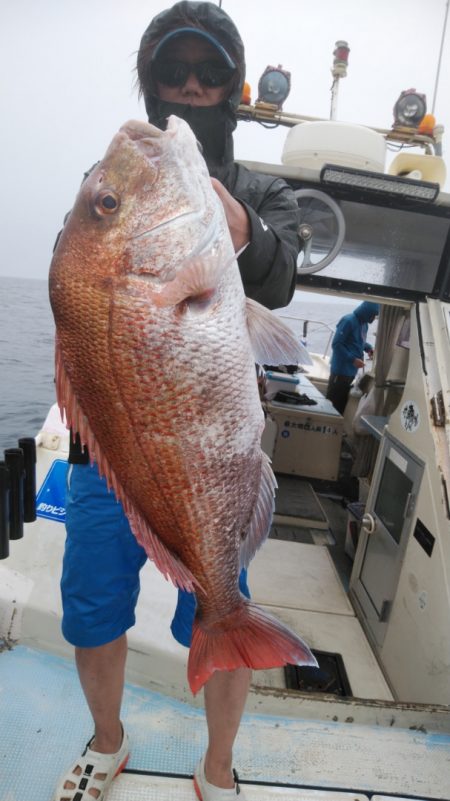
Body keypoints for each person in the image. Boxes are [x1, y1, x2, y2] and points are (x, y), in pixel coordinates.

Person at [53, 3, 301, 801]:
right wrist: (118, 215)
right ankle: (107, 741)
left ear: (234, 86)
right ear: (150, 82)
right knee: (92, 605)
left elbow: (282, 276)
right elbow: (80, 281)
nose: (191, 86)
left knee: (225, 597)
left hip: (211, 460)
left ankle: (218, 766)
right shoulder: (117, 182)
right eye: (172, 71)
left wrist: (241, 228)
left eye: (209, 72)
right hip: (107, 455)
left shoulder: (261, 191)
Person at [326, 301, 379, 415]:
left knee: (341, 406)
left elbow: (359, 342)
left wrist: (369, 349)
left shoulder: (364, 324)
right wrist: (353, 360)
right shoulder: (348, 320)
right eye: (373, 315)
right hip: (340, 372)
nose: (374, 318)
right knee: (331, 406)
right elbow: (337, 344)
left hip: (350, 373)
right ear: (367, 312)